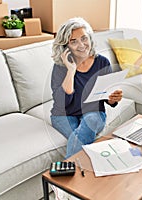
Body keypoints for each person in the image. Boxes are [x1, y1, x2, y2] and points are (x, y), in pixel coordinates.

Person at [51, 17, 123, 160]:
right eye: (74, 41)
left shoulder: (102, 62)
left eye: (84, 38)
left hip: (93, 112)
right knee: (82, 137)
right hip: (63, 115)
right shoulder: (60, 67)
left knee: (89, 124)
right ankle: (80, 174)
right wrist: (71, 71)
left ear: (90, 38)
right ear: (66, 46)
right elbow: (62, 103)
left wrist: (113, 99)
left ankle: (67, 173)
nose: (81, 45)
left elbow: (107, 96)